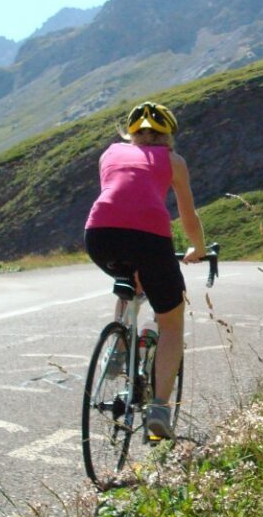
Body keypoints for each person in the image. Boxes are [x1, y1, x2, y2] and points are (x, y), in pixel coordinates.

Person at [84, 100, 205, 438]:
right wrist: (196, 247)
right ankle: (160, 409)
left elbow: (121, 197)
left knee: (128, 277)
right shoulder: (173, 161)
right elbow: (187, 213)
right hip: (149, 237)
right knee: (171, 322)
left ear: (131, 135)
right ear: (169, 137)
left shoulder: (109, 153)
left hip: (98, 234)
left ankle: (119, 350)